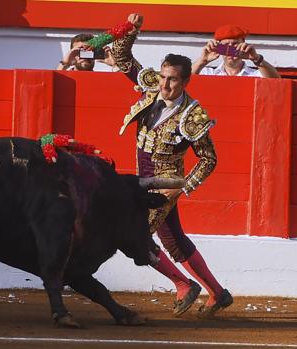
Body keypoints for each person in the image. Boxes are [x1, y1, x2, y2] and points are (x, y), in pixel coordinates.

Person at [111, 13, 233, 318]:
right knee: (172, 238)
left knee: (135, 235)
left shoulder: (193, 116)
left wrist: (181, 188)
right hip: (143, 179)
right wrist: (132, 29)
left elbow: (209, 159)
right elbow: (122, 57)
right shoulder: (151, 88)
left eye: (172, 79)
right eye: (163, 76)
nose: (165, 84)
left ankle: (182, 284)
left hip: (165, 184)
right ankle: (217, 294)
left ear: (185, 81)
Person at [192, 25, 280, 78]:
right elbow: (182, 82)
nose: (230, 48)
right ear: (218, 47)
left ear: (243, 45)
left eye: (235, 44)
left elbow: (275, 82)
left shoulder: (256, 75)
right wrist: (202, 61)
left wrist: (256, 58)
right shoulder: (208, 73)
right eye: (225, 45)